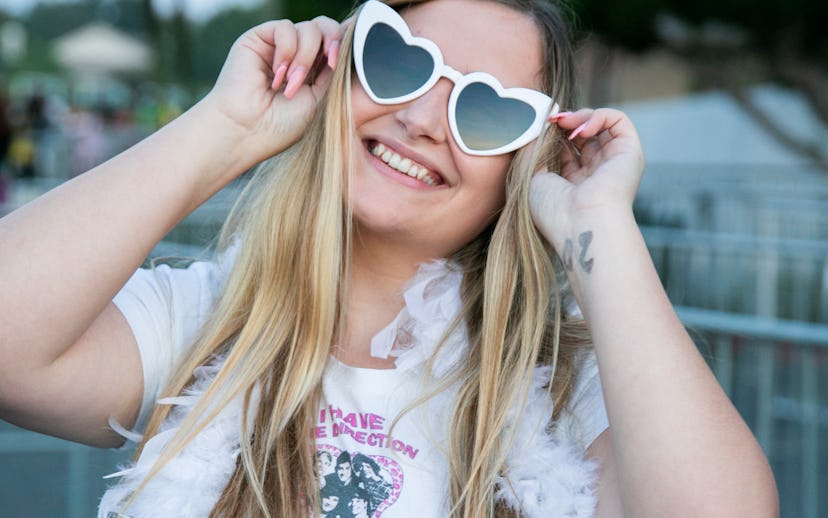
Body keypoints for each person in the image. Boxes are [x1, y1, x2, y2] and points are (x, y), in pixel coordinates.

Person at [0, 0, 778, 517]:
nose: (421, 118)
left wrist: (597, 224)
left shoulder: (559, 393)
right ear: (342, 65)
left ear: (526, 162)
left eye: (486, 108)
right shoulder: (201, 325)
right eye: (399, 62)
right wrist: (226, 130)